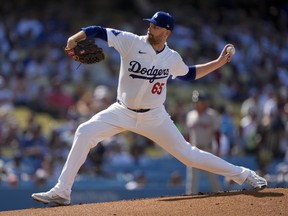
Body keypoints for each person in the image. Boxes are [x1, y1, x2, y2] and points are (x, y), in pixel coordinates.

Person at [32, 11, 267, 205]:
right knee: (84, 131)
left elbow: (189, 74)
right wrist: (75, 38)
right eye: (150, 25)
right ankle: (62, 191)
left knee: (189, 156)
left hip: (155, 117)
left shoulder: (172, 57)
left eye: (155, 26)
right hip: (121, 111)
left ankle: (245, 175)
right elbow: (98, 30)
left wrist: (217, 63)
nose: (150, 28)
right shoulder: (131, 41)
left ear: (166, 32)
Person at [185, 91, 222, 194]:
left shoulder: (211, 114)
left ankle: (221, 196)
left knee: (212, 176)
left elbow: (217, 133)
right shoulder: (190, 115)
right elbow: (188, 134)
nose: (198, 104)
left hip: (207, 149)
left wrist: (218, 148)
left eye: (200, 102)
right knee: (192, 178)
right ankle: (190, 199)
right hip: (193, 149)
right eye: (196, 102)